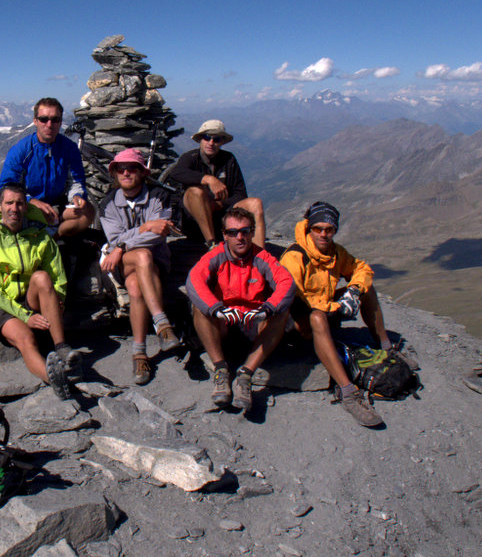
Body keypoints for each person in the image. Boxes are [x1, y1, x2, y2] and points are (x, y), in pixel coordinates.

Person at [280, 201, 415, 427]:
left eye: (329, 229)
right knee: (317, 316)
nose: (323, 234)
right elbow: (301, 298)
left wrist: (353, 291)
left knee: (366, 288)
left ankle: (386, 348)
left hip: (325, 312)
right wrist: (339, 307)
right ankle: (348, 393)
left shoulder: (335, 252)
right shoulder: (294, 257)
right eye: (318, 228)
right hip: (298, 324)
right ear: (309, 227)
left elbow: (361, 268)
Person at [0, 182, 81, 399]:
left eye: (19, 203)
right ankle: (56, 380)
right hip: (2, 305)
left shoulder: (39, 237)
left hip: (31, 298)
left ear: (26, 207)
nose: (14, 208)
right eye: (9, 203)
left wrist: (58, 298)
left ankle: (61, 347)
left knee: (41, 277)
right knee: (26, 340)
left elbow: (57, 275)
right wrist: (25, 316)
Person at [186, 207, 294, 412]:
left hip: (253, 320)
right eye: (232, 232)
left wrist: (268, 309)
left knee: (282, 312)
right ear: (224, 235)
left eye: (245, 231)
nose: (240, 237)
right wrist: (216, 309)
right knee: (199, 308)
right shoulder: (216, 256)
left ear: (253, 232)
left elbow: (286, 282)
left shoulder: (262, 258)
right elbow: (194, 280)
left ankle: (245, 374)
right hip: (225, 320)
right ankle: (220, 369)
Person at [99, 148, 182, 384]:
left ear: (142, 173)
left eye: (132, 168)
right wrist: (144, 228)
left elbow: (161, 232)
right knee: (142, 255)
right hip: (123, 263)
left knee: (135, 286)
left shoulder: (159, 196)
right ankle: (162, 324)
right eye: (120, 169)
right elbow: (115, 239)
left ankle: (139, 353)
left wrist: (123, 244)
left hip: (155, 263)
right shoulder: (108, 203)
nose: (126, 173)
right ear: (114, 173)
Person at [0, 97, 94, 239]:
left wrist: (76, 197)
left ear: (60, 122)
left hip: (57, 205)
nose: (49, 124)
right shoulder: (21, 150)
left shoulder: (69, 148)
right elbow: (5, 187)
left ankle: (54, 239)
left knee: (88, 211)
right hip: (28, 206)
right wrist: (32, 201)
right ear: (35, 121)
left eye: (55, 120)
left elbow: (76, 181)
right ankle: (50, 237)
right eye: (44, 119)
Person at [169, 120, 266, 249]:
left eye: (217, 139)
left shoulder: (229, 159)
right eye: (207, 138)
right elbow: (176, 173)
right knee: (195, 192)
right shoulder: (190, 158)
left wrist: (219, 205)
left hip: (223, 219)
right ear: (200, 140)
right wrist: (208, 179)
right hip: (195, 223)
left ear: (222, 142)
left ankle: (260, 256)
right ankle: (212, 244)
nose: (211, 143)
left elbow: (240, 194)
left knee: (255, 203)